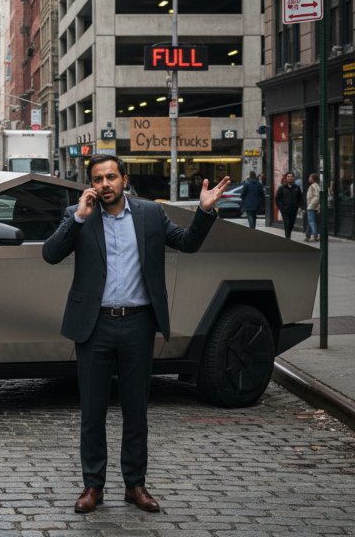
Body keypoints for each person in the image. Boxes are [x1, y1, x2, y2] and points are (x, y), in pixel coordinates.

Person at [42, 154, 229, 515]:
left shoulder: (150, 214)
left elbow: (187, 242)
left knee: (136, 410)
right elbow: (50, 254)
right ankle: (93, 485)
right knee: (92, 411)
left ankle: (135, 485)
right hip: (94, 325)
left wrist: (205, 211)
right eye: (98, 179)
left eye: (111, 177)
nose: (105, 184)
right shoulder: (79, 215)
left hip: (138, 324)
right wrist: (78, 217)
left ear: (124, 180)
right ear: (91, 185)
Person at [275, 171, 303, 239]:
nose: (290, 178)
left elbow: (300, 198)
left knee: (291, 224)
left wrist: (300, 207)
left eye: (291, 176)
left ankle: (288, 235)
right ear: (286, 178)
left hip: (294, 210)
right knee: (287, 223)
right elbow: (277, 198)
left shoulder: (297, 188)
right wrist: (281, 207)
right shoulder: (282, 188)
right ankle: (288, 238)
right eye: (288, 176)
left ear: (293, 178)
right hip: (285, 210)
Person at [305, 173, 321, 241]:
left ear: (313, 179)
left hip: (311, 207)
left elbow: (317, 197)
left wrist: (311, 204)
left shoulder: (313, 186)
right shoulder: (315, 186)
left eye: (310, 177)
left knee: (311, 221)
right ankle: (307, 236)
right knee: (310, 221)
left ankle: (315, 234)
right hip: (313, 206)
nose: (309, 178)